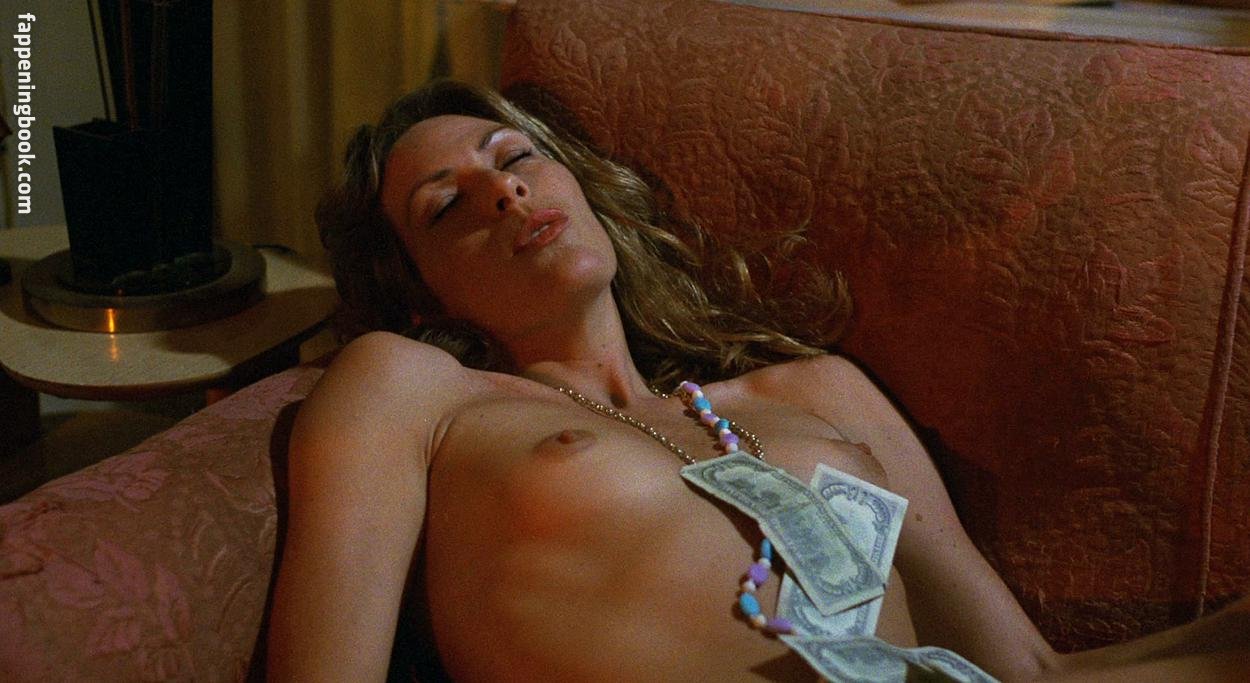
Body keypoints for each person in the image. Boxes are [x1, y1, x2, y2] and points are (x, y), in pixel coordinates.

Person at [266, 79, 1249, 681]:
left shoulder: (818, 393)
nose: (502, 189)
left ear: (580, 184)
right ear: (419, 297)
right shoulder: (414, 388)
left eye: (515, 155)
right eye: (446, 207)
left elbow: (1023, 668)